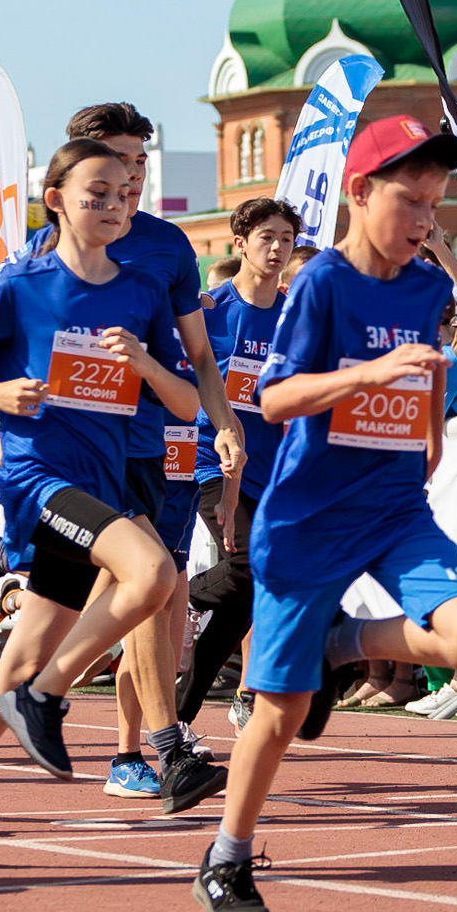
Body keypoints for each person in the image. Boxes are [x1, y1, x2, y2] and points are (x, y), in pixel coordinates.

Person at [192, 113, 457, 912]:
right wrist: (374, 371)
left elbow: (427, 365)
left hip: (396, 508)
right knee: (282, 714)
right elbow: (278, 397)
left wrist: (429, 431)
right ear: (360, 194)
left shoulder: (431, 285)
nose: (426, 221)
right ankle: (228, 853)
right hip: (306, 521)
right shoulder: (321, 282)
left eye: (436, 206)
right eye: (411, 201)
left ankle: (348, 643)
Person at [0, 137, 209, 870]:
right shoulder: (21, 284)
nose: (111, 205)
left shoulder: (139, 291)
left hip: (102, 483)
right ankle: (49, 696)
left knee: (18, 662)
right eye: (95, 193)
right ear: (57, 200)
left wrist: (143, 364)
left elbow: (188, 400)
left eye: (122, 194)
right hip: (40, 481)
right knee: (155, 575)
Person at [176, 196, 301, 737]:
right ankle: (173, 598)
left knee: (249, 592)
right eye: (267, 238)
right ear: (241, 243)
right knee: (250, 573)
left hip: (276, 472)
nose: (277, 249)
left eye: (286, 240)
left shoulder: (298, 316)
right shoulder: (210, 311)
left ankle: (179, 713)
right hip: (214, 464)